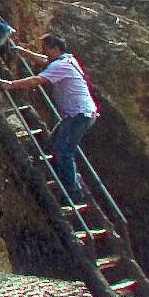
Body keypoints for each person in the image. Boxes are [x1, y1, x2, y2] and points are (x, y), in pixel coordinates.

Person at [12, 32, 98, 204]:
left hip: (78, 115)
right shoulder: (68, 60)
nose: (45, 53)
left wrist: (11, 85)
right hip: (80, 113)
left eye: (47, 49)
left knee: (63, 150)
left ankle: (71, 191)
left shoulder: (61, 66)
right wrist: (22, 51)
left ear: (56, 49)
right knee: (54, 144)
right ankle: (71, 180)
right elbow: (44, 60)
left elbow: (37, 80)